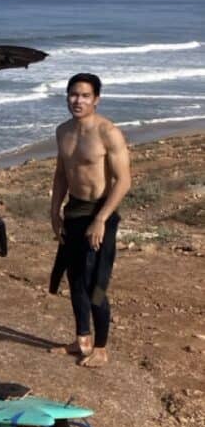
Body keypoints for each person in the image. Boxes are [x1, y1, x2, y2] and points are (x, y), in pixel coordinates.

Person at [49, 72, 131, 368]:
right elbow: (61, 174)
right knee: (75, 277)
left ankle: (101, 347)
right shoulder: (63, 131)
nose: (78, 100)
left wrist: (102, 219)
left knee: (96, 282)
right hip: (74, 212)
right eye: (73, 94)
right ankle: (81, 339)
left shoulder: (108, 132)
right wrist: (54, 210)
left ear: (96, 99)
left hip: (101, 212)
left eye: (85, 95)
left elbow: (123, 181)